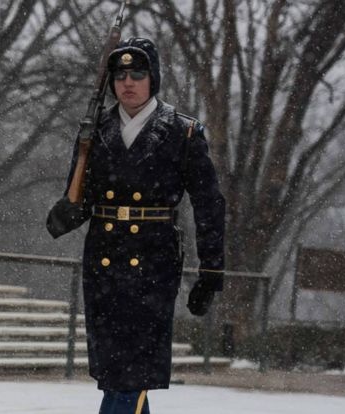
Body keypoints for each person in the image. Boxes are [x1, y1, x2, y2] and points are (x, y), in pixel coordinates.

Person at [46, 37, 226, 414]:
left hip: (152, 262)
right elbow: (80, 197)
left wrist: (210, 270)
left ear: (153, 78)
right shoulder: (95, 129)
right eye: (121, 74)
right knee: (115, 374)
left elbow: (209, 205)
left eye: (138, 74)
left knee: (132, 373)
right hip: (104, 260)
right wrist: (67, 213)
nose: (128, 82)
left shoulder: (183, 132)